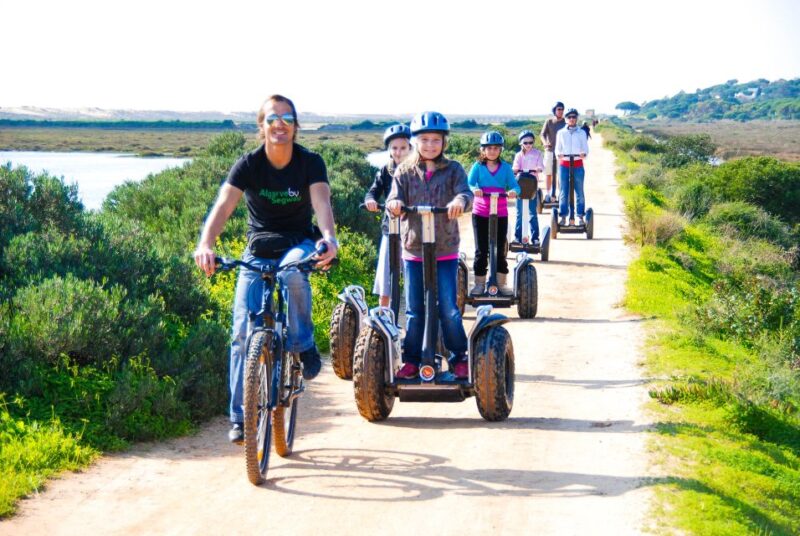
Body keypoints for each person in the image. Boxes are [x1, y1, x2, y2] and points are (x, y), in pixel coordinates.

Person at [194, 95, 338, 443]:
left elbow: (321, 202)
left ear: (295, 126)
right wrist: (205, 244)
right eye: (273, 118)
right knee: (242, 334)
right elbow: (223, 206)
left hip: (298, 243)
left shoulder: (310, 162)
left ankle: (303, 344)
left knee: (291, 272)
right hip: (258, 248)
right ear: (262, 126)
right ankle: (241, 418)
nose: (280, 124)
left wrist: (329, 239)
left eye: (287, 118)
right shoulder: (248, 164)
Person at [386, 111, 473, 380]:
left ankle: (458, 356)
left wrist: (459, 202)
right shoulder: (405, 171)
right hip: (413, 250)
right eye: (425, 140)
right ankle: (412, 359)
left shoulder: (453, 169)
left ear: (444, 142)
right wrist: (395, 204)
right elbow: (394, 197)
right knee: (414, 309)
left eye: (436, 140)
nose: (430, 145)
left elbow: (465, 193)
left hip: (444, 249)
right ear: (415, 142)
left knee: (448, 306)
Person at [364, 124, 412, 307]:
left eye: (403, 148)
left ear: (410, 148)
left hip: (412, 231)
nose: (398, 152)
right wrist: (370, 200)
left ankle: (415, 323)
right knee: (385, 281)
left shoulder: (418, 170)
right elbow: (372, 192)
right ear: (389, 149)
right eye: (394, 148)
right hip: (389, 229)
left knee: (414, 279)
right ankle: (383, 322)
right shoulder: (386, 170)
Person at [468, 131, 520, 296]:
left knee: (499, 248)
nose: (492, 151)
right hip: (481, 212)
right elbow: (469, 183)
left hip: (500, 212)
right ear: (483, 149)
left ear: (500, 150)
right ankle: (479, 283)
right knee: (481, 250)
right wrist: (475, 189)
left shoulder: (505, 168)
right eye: (489, 148)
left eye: (496, 148)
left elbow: (515, 186)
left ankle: (501, 283)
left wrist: (513, 191)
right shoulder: (478, 166)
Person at [555, 108, 590, 226]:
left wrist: (583, 154)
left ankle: (580, 216)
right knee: (564, 191)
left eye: (574, 117)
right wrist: (558, 154)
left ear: (577, 118)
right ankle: (563, 217)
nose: (571, 119)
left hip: (577, 164)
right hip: (564, 165)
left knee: (579, 191)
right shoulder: (561, 133)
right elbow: (557, 148)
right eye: (569, 117)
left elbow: (585, 149)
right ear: (566, 119)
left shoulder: (582, 132)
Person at [511, 130, 544, 247]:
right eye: (526, 142)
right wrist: (515, 169)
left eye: (531, 142)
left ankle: (535, 238)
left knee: (532, 213)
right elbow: (515, 166)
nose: (528, 145)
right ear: (521, 143)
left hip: (532, 186)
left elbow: (540, 165)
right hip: (520, 186)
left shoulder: (538, 153)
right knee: (520, 213)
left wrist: (538, 168)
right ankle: (517, 237)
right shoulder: (518, 155)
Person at [540, 102, 566, 203]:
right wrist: (545, 143)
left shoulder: (565, 122)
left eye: (562, 109)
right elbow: (542, 134)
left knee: (561, 173)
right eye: (558, 109)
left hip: (562, 153)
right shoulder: (549, 121)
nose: (560, 111)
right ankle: (548, 193)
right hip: (550, 150)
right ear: (554, 110)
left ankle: (561, 194)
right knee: (548, 173)